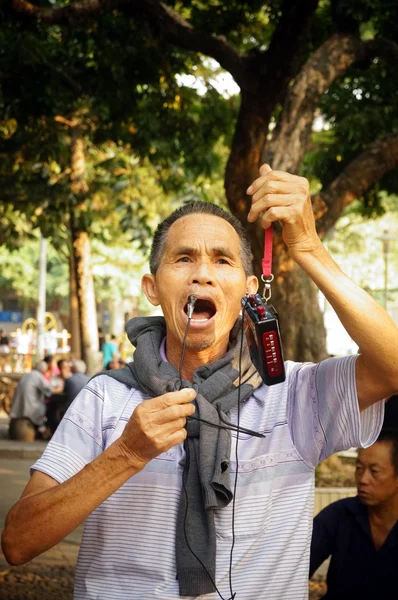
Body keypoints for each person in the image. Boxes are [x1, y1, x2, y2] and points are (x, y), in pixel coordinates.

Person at [2, 164, 398, 600]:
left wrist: (307, 246)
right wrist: (126, 454)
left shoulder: (295, 395)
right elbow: (19, 542)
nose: (203, 274)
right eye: (184, 258)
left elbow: (392, 366)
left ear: (250, 289)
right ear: (152, 287)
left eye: (222, 260)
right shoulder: (104, 398)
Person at [309, 430, 398, 599]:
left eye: (374, 471)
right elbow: (298, 565)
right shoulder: (339, 515)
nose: (363, 479)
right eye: (359, 468)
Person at [8, 361, 54, 439]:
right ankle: (44, 431)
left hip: (19, 405)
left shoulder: (27, 375)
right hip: (31, 406)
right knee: (48, 408)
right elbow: (49, 390)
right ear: (44, 370)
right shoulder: (38, 376)